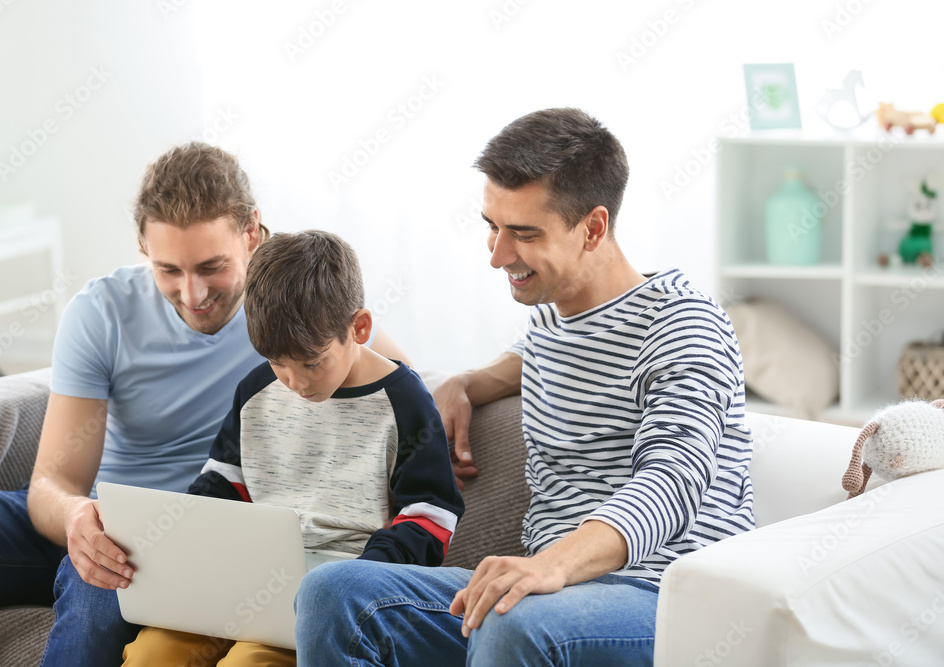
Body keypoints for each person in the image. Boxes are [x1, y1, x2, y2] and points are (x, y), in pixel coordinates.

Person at [294, 108, 755, 666]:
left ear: (593, 228)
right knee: (334, 593)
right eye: (492, 225)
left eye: (524, 233)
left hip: (661, 596)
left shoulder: (685, 325)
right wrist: (465, 382)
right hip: (545, 600)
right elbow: (530, 358)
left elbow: (672, 482)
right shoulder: (550, 321)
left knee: (511, 621)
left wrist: (550, 564)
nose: (497, 255)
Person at [0, 142, 408, 667]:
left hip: (193, 546)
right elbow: (53, 483)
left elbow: (395, 379)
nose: (192, 295)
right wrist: (77, 517)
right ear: (142, 245)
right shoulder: (101, 312)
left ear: (251, 233)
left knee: (101, 582)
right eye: (168, 270)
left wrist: (463, 389)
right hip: (102, 520)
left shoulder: (293, 303)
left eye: (212, 267)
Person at [121, 230, 463, 666]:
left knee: (249, 662)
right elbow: (222, 485)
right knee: (152, 653)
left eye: (312, 363)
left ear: (358, 328)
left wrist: (364, 574)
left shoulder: (405, 401)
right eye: (278, 363)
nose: (296, 383)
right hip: (243, 576)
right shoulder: (254, 390)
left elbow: (430, 515)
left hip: (339, 593)